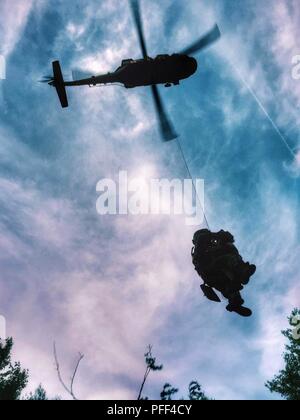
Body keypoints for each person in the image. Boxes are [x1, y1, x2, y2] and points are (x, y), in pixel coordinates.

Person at [192, 229, 256, 317]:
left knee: (230, 287)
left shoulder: (212, 245)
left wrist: (225, 237)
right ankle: (241, 271)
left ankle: (235, 303)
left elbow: (229, 240)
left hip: (218, 275)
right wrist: (219, 235)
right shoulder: (200, 246)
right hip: (213, 271)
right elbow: (202, 238)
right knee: (228, 257)